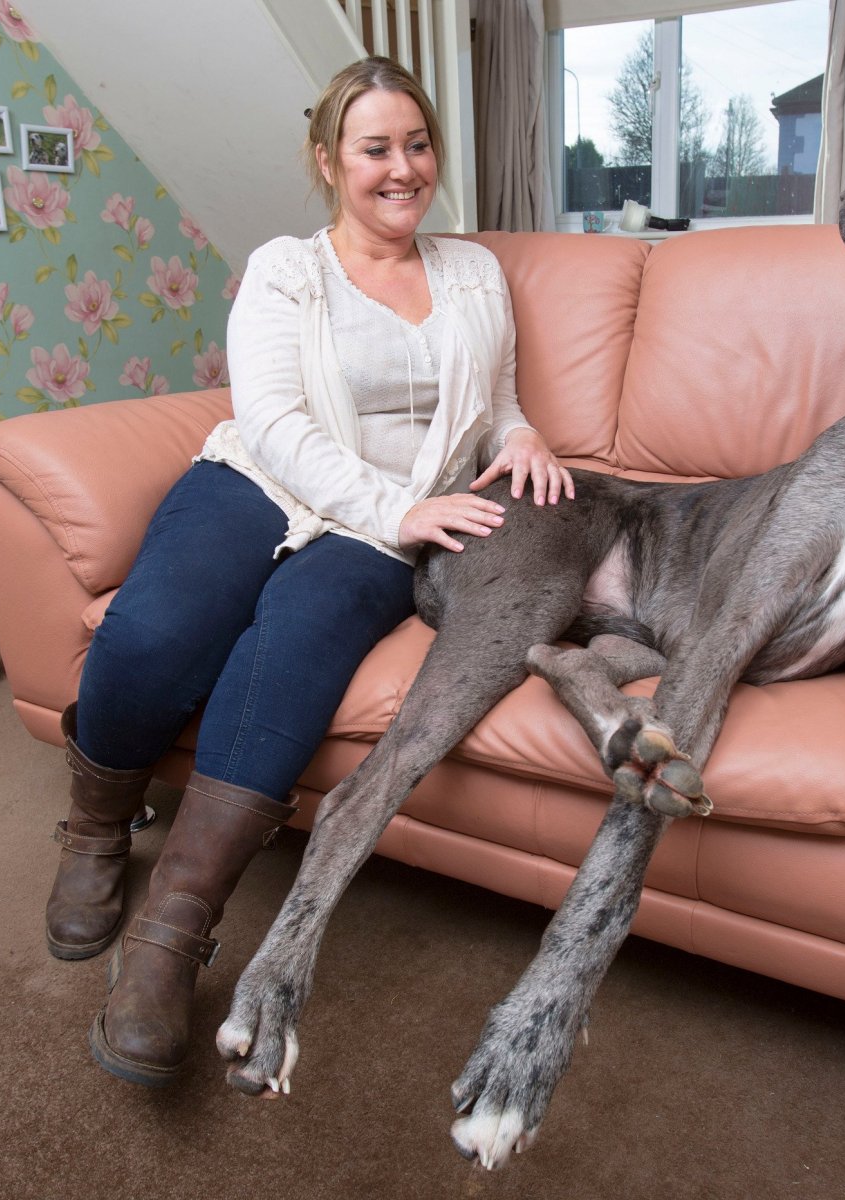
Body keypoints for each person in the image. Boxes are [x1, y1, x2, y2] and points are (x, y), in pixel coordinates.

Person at [43, 55, 574, 1088]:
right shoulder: (288, 268)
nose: (402, 168)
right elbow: (277, 423)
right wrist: (397, 506)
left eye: (416, 145)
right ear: (329, 159)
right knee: (155, 635)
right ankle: (97, 824)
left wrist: (525, 440)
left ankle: (168, 941)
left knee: (288, 653)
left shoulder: (473, 273)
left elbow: (493, 400)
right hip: (267, 482)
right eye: (376, 148)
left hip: (389, 525)